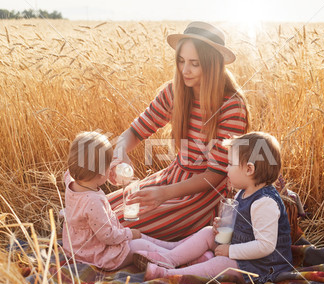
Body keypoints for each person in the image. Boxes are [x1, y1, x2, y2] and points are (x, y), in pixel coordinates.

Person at [107, 21, 249, 241]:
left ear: (212, 64)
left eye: (195, 63)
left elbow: (216, 175)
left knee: (119, 225)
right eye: (181, 61)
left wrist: (163, 195)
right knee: (100, 212)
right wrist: (120, 153)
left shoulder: (231, 106)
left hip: (205, 193)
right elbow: (135, 131)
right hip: (172, 177)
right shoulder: (174, 92)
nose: (185, 70)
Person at [132, 132, 293, 284]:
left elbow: (265, 246)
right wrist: (223, 225)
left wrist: (230, 251)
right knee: (208, 232)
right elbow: (242, 225)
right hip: (239, 249)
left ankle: (169, 275)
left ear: (249, 169)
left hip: (262, 266)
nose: (226, 169)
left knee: (222, 263)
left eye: (230, 164)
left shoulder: (264, 202)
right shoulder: (244, 192)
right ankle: (169, 258)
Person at [62, 131, 209, 270]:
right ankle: (180, 257)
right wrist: (130, 233)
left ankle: (175, 248)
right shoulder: (93, 201)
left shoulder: (70, 179)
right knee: (139, 244)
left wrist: (106, 166)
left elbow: (81, 167)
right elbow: (107, 236)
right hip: (99, 255)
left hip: (77, 248)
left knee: (140, 241)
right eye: (108, 167)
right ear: (101, 174)